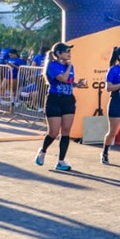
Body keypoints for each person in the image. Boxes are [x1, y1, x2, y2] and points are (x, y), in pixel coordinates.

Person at [35, 43, 87, 172]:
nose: (69, 53)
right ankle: (43, 151)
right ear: (58, 53)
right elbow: (63, 78)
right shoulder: (53, 66)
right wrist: (68, 66)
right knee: (53, 132)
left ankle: (61, 160)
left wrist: (77, 84)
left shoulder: (70, 66)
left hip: (68, 99)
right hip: (54, 100)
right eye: (66, 51)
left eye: (69, 51)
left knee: (66, 131)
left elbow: (68, 81)